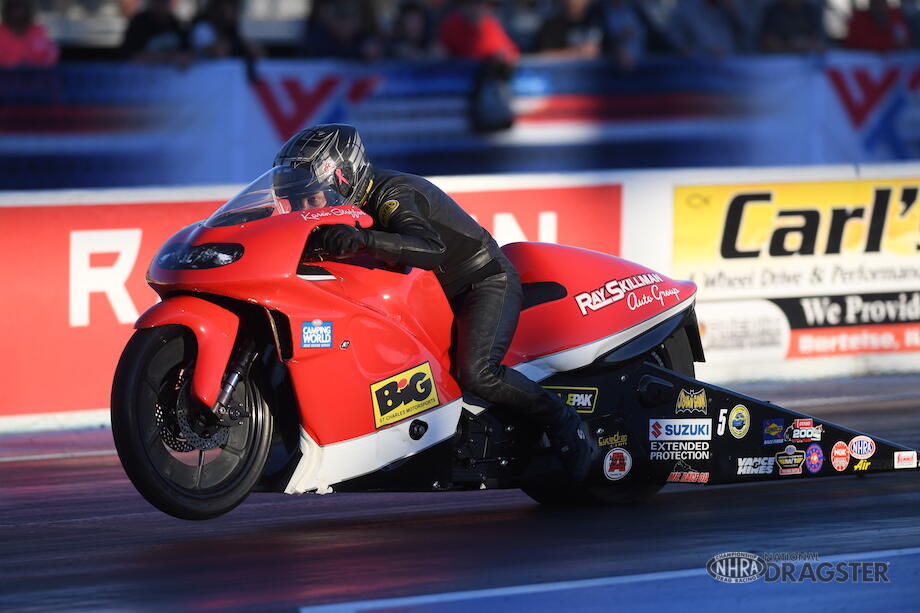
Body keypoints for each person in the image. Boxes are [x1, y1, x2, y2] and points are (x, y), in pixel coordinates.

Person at [274, 124, 592, 481]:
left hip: (482, 281)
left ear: (343, 178)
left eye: (312, 198)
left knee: (478, 373)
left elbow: (431, 248)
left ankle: (563, 420)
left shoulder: (392, 194)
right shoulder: (335, 209)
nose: (303, 208)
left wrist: (363, 239)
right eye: (295, 201)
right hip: (429, 295)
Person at [119, 0, 190, 64]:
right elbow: (132, 56)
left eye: (165, 1)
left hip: (170, 73)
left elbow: (188, 53)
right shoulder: (139, 24)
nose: (161, 4)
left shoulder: (176, 24)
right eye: (158, 1)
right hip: (141, 73)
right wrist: (170, 57)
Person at [534, 0, 604, 58]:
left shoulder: (599, 21)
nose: (576, 2)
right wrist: (578, 52)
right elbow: (544, 55)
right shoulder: (551, 25)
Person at [0, 0, 58, 68]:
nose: (17, 11)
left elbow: (51, 61)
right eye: (13, 6)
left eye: (21, 6)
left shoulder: (40, 33)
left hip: (35, 74)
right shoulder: (1, 34)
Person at [758, 0, 825, 53]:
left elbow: (819, 41)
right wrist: (790, 46)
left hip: (806, 59)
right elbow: (767, 42)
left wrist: (806, 44)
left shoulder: (810, 10)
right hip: (779, 60)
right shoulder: (773, 11)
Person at [845, 0, 911, 52]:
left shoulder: (896, 17)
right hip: (866, 60)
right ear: (870, 5)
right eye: (875, 4)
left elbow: (904, 44)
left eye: (881, 4)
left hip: (893, 60)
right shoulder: (858, 20)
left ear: (886, 4)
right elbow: (851, 47)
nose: (878, 8)